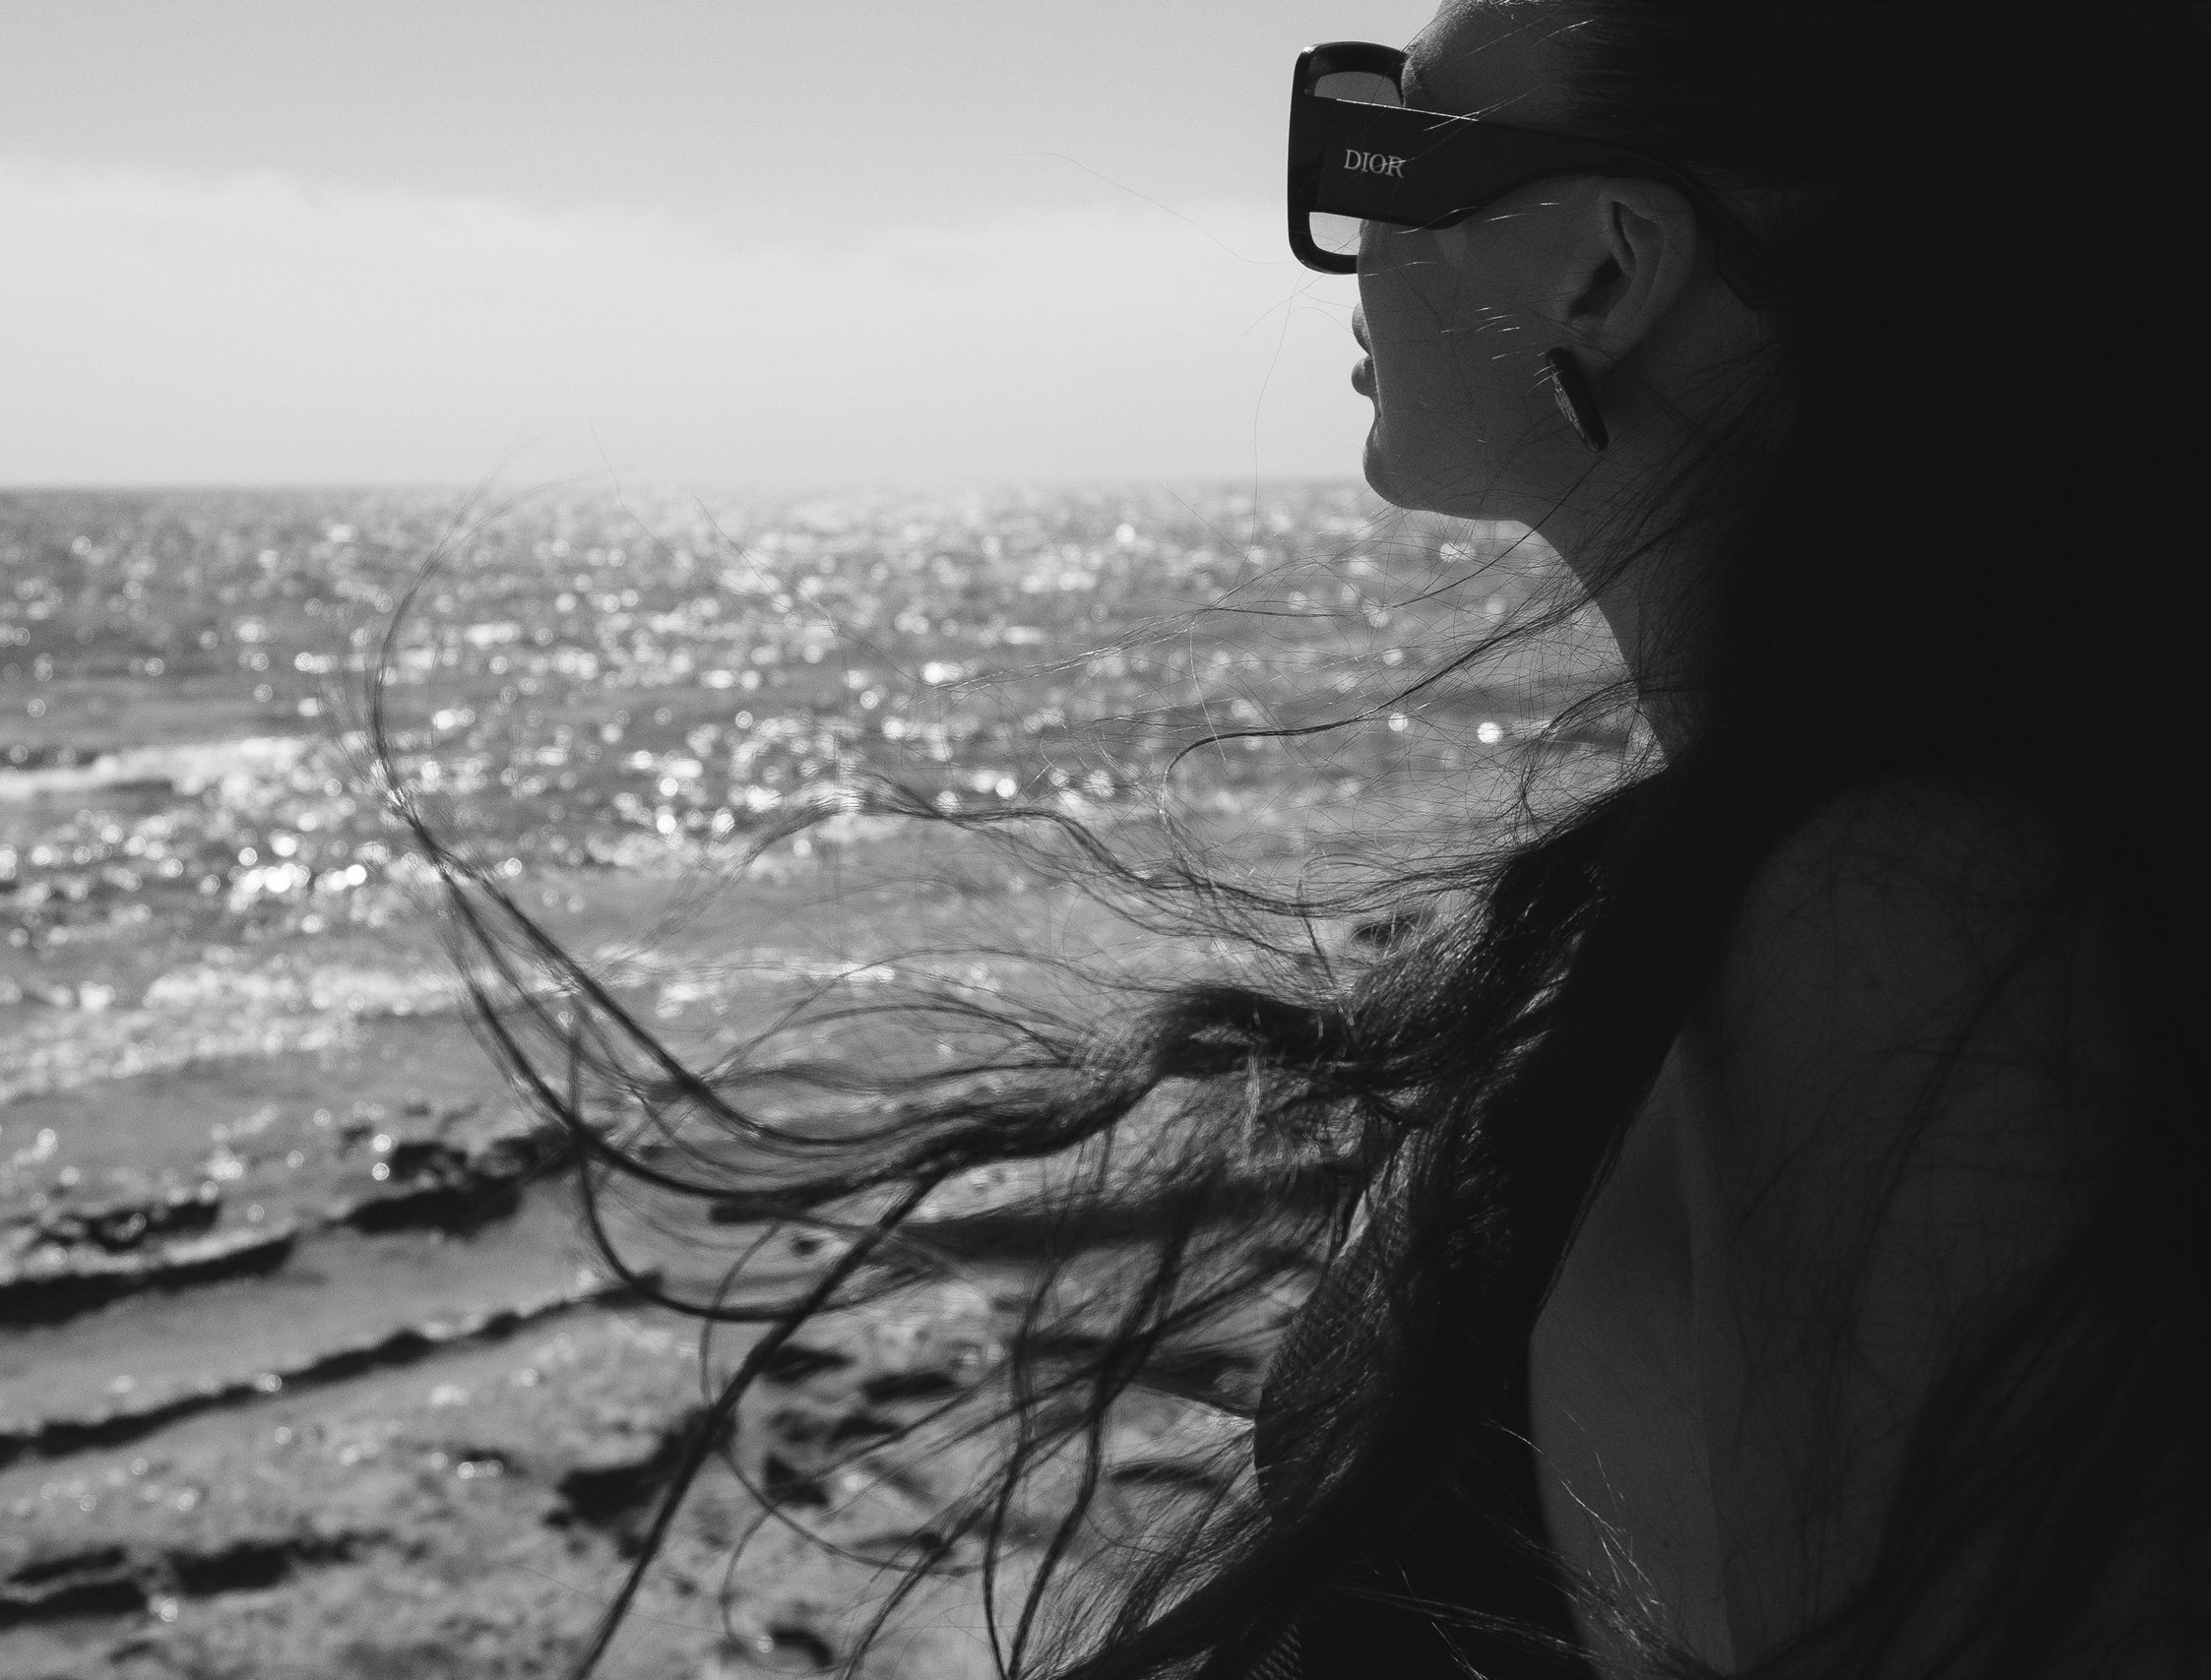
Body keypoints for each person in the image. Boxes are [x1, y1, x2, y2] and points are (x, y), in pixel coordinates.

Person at [421, 1, 2205, 1674]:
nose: (1337, 240)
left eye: (1374, 157)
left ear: (1604, 269)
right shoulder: (1843, 857)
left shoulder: (1902, 919)